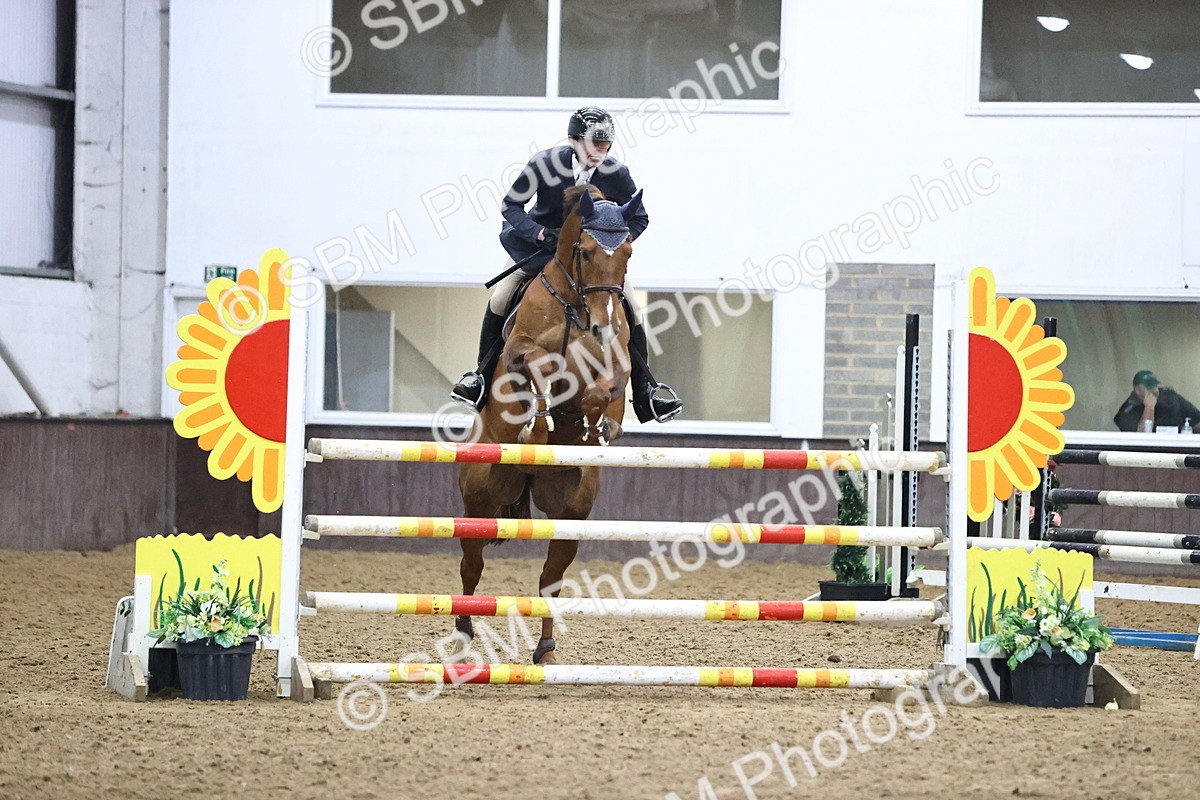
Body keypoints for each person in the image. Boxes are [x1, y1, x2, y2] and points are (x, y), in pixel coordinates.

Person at [450, 106, 682, 423]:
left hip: (592, 260)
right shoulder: (544, 165)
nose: (599, 151)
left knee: (633, 309)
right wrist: (538, 233)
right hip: (540, 249)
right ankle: (479, 378)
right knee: (501, 297)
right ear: (573, 140)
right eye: (593, 143)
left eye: (605, 144)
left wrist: (611, 246)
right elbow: (511, 206)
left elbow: (639, 217)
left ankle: (646, 393)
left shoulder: (617, 174)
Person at [1113, 370, 1200, 432]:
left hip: (1180, 446)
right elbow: (1142, 437)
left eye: (1155, 385)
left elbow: (1196, 420)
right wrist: (1149, 407)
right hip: (1152, 450)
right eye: (1149, 387)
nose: (1155, 390)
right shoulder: (1127, 411)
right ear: (1138, 390)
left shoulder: (1169, 396)